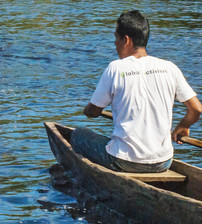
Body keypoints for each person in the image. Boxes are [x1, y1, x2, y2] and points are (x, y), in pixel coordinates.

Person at [71, 10, 202, 173]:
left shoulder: (116, 68)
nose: (114, 43)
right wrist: (183, 126)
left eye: (116, 38)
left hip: (124, 161)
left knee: (77, 135)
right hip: (163, 162)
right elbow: (196, 109)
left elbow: (94, 111)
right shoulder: (170, 68)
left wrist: (88, 110)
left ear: (126, 40)